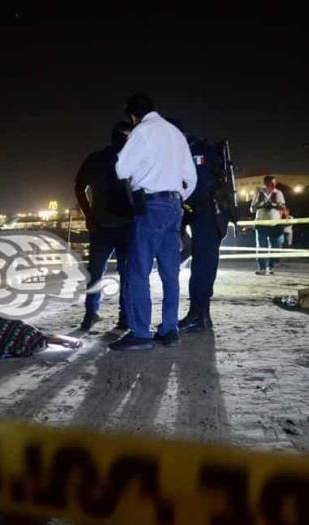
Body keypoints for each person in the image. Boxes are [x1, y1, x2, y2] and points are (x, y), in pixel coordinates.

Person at [109, 94, 197, 351]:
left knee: (138, 270)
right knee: (171, 272)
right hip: (174, 205)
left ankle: (140, 332)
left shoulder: (141, 131)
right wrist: (177, 198)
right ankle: (170, 329)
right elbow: (190, 178)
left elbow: (121, 170)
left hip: (150, 205)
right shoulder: (175, 133)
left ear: (133, 115)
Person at [74, 121, 134, 331]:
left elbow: (79, 187)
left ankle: (93, 315)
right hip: (114, 225)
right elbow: (79, 186)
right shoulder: (130, 158)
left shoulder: (95, 159)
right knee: (122, 273)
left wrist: (89, 214)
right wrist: (89, 214)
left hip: (110, 225)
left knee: (97, 272)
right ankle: (117, 316)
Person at [176, 127, 228, 332]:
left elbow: (199, 187)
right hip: (207, 215)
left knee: (202, 268)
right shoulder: (198, 149)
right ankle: (200, 315)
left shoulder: (197, 152)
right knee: (202, 266)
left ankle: (199, 317)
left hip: (208, 215)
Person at [250, 176, 286, 275]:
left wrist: (275, 203)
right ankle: (262, 268)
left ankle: (271, 267)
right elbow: (252, 209)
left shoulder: (278, 193)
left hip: (275, 224)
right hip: (261, 223)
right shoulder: (259, 192)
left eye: (274, 184)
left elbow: (283, 207)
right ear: (265, 184)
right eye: (271, 184)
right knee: (262, 246)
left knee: (275, 246)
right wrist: (259, 202)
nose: (273, 185)